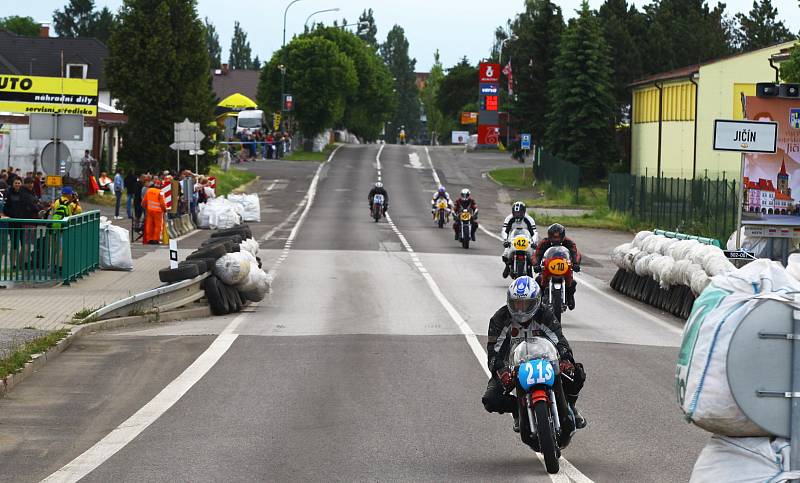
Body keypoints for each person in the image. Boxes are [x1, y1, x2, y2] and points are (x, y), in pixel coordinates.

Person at [481, 276, 587, 431]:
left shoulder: (545, 314)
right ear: (509, 301)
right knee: (491, 400)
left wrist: (565, 358)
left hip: (546, 361)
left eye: (526, 304)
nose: (520, 309)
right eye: (517, 303)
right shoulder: (499, 319)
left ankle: (570, 405)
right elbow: (494, 351)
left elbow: (559, 339)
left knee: (576, 373)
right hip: (513, 368)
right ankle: (518, 410)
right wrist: (501, 370)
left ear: (536, 302)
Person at [533, 223, 581, 310]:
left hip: (564, 268)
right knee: (538, 280)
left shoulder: (569, 243)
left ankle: (570, 297)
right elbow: (536, 254)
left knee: (572, 283)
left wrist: (576, 264)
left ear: (562, 236)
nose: (556, 239)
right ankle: (538, 301)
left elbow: (575, 253)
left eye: (558, 237)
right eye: (554, 237)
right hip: (547, 268)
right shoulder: (544, 242)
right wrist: (536, 265)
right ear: (549, 236)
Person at [501, 201, 537, 278]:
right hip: (513, 239)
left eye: (520, 213)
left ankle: (530, 268)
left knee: (533, 256)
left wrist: (534, 241)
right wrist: (505, 240)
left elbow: (534, 232)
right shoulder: (509, 219)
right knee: (505, 255)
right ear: (512, 212)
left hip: (526, 240)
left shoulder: (529, 220)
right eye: (516, 213)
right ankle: (508, 265)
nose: (517, 215)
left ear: (524, 212)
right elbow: (505, 230)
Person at [142, 179, 167, 244]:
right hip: (158, 212)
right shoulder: (160, 192)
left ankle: (149, 239)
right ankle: (156, 239)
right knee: (157, 226)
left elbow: (144, 202)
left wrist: (145, 208)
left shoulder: (149, 190)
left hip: (149, 210)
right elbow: (162, 203)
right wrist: (164, 210)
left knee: (149, 225)